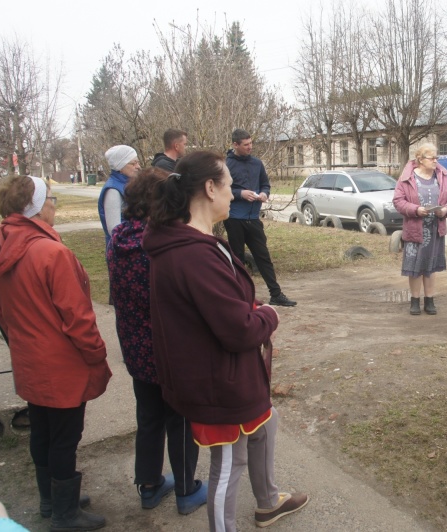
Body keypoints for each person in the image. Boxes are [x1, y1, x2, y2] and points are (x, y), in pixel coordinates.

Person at [142, 151, 309, 531]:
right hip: (218, 379)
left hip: (223, 373)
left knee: (267, 422)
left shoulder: (190, 242)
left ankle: (267, 501)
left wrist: (245, 306)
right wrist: (267, 315)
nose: (234, 195)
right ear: (209, 187)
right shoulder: (192, 253)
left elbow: (214, 305)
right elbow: (238, 330)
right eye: (230, 187)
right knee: (229, 463)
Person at [0, 176, 111, 531]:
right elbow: (78, 318)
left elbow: (0, 308)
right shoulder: (51, 252)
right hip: (61, 363)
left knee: (42, 431)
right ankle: (65, 514)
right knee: (64, 437)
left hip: (30, 359)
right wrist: (96, 355)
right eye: (52, 199)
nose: (56, 205)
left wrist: (22, 338)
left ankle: (50, 498)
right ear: (37, 207)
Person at [106, 167, 208, 514]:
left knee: (148, 416)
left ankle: (149, 485)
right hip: (168, 347)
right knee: (179, 418)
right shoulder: (160, 243)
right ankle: (185, 489)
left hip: (134, 345)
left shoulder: (118, 239)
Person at [225, 129, 296, 307]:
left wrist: (264, 193)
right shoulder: (226, 165)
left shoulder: (257, 163)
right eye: (246, 144)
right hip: (234, 218)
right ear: (235, 145)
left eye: (251, 143)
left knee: (263, 256)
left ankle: (276, 294)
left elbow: (265, 184)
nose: (250, 147)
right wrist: (240, 193)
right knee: (238, 259)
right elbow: (222, 190)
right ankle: (239, 298)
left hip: (253, 218)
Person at [392, 143, 447, 316]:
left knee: (430, 266)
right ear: (420, 159)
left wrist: (445, 210)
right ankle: (415, 301)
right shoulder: (407, 177)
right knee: (415, 266)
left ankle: (429, 300)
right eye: (432, 158)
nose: (436, 161)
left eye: (437, 157)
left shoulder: (441, 176)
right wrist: (415, 210)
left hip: (435, 229)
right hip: (415, 229)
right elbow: (398, 201)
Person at [99, 145, 140, 247]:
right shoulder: (113, 190)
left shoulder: (128, 185)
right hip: (123, 251)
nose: (138, 166)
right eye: (133, 163)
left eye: (138, 162)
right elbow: (114, 230)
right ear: (120, 167)